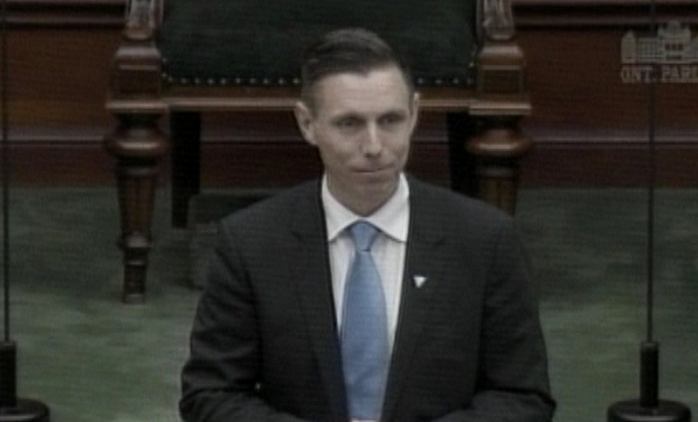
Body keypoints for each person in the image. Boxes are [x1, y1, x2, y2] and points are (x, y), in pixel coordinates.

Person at [179, 28, 555, 422]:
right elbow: (210, 395)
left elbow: (523, 397)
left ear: (415, 114)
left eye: (391, 120)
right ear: (307, 124)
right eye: (350, 124)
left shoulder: (485, 240)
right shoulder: (251, 243)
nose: (375, 146)